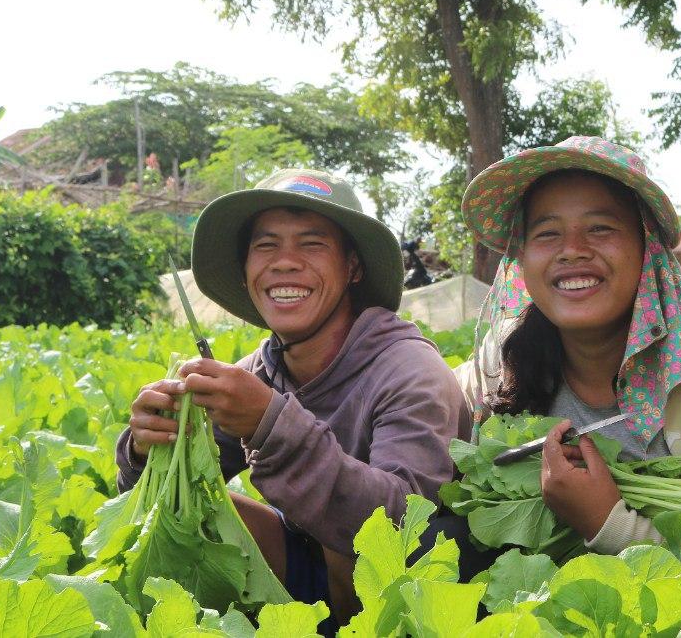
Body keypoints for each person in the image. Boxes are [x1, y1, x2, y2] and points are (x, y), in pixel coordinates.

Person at [116, 168, 471, 619]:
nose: (284, 261)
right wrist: (149, 449)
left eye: (312, 243)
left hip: (410, 602)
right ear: (246, 271)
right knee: (188, 520)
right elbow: (151, 505)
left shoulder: (411, 371)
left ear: (353, 267)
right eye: (266, 245)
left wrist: (269, 425)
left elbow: (404, 525)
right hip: (311, 573)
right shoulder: (262, 368)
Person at [456, 136, 681, 554]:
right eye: (547, 233)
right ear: (522, 258)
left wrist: (610, 525)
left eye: (600, 228)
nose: (572, 250)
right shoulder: (498, 365)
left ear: (648, 247)